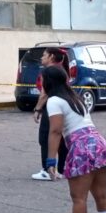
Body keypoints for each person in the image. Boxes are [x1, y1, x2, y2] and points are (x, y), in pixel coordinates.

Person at [43, 65, 106, 213]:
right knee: (101, 194)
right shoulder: (74, 98)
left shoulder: (54, 101)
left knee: (78, 197)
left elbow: (56, 130)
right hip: (98, 143)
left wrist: (51, 161)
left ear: (47, 82)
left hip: (81, 146)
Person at [31, 48, 69, 181]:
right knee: (60, 140)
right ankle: (63, 169)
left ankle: (47, 170)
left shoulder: (49, 72)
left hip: (51, 107)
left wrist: (37, 109)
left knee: (45, 138)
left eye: (44, 55)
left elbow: (44, 93)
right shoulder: (61, 70)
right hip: (61, 106)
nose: (42, 58)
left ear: (51, 57)